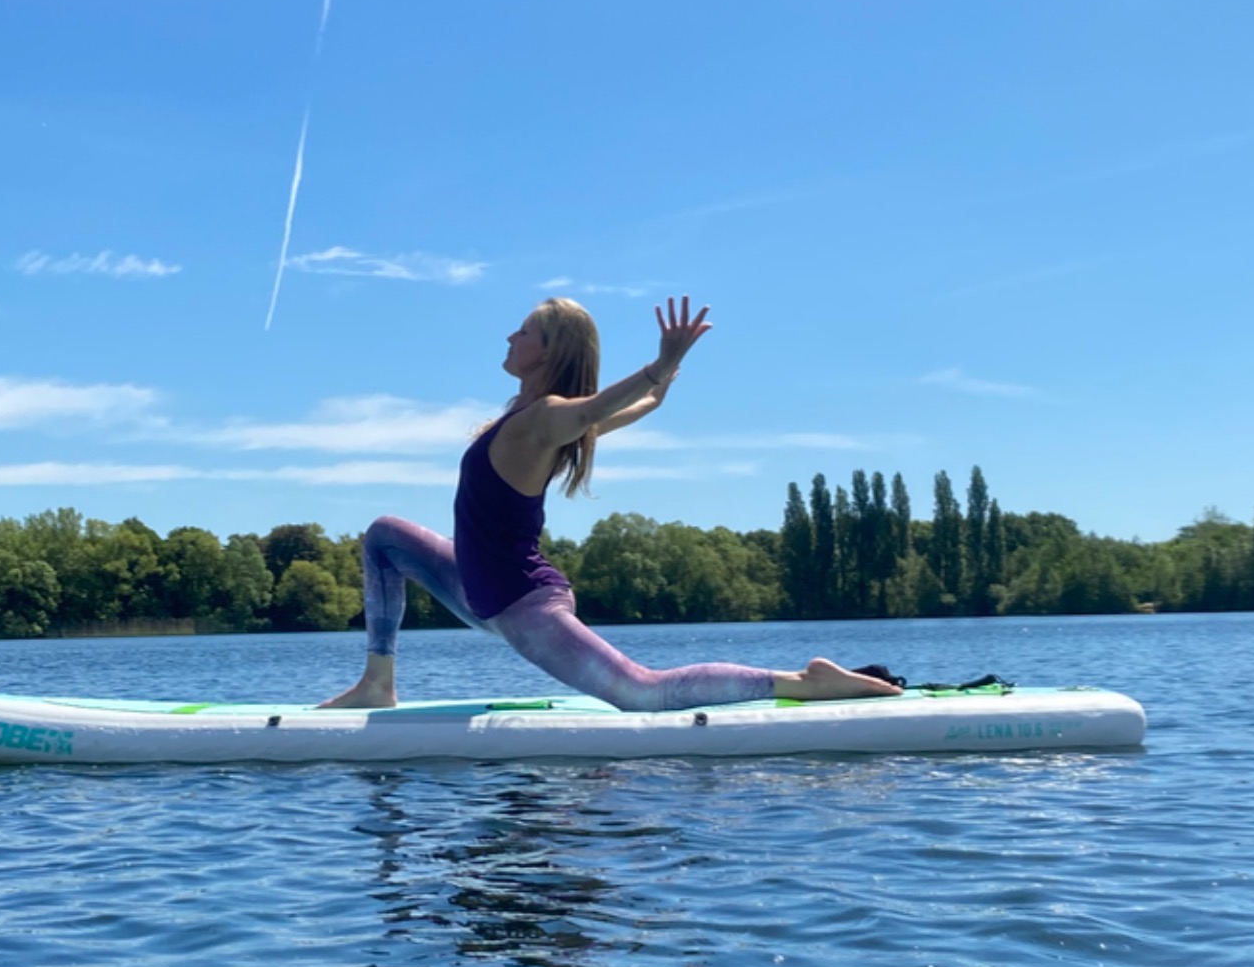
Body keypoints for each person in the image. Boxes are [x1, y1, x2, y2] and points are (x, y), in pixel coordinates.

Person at [320, 295, 902, 711]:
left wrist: (660, 365)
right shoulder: (526, 417)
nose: (509, 337)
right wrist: (656, 393)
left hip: (523, 605)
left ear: (549, 352)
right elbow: (625, 412)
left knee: (642, 692)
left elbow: (591, 411)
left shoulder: (547, 417)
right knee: (384, 536)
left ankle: (804, 680)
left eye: (522, 331)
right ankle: (377, 684)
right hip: (480, 589)